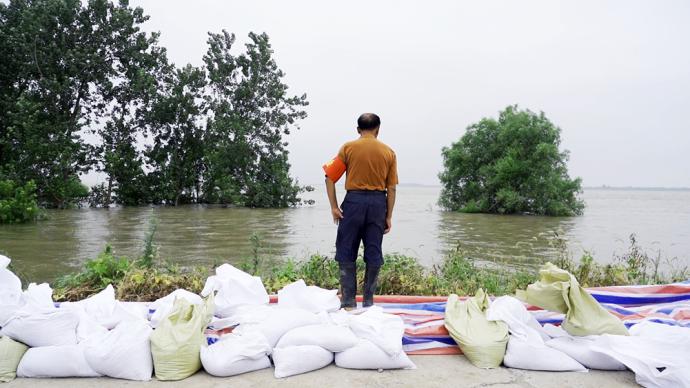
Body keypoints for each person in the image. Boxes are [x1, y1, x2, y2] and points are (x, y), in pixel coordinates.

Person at [323, 113, 398, 309]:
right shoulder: (388, 152)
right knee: (374, 251)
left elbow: (329, 178)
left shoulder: (348, 148)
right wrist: (388, 216)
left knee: (346, 249)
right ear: (378, 129)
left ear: (358, 129)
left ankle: (348, 303)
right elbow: (391, 188)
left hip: (353, 202)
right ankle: (368, 303)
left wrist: (334, 206)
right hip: (377, 204)